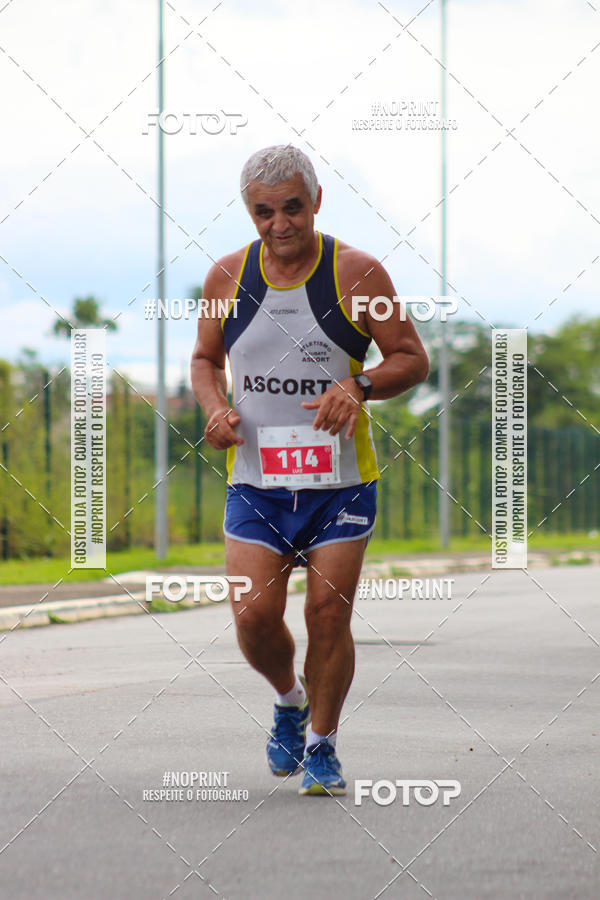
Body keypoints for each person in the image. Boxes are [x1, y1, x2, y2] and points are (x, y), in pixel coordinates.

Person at [191, 145, 428, 796]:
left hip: (340, 484)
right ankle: (290, 701)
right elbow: (205, 361)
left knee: (328, 614)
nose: (279, 224)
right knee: (252, 616)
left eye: (292, 208)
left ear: (316, 201)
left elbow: (411, 357)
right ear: (250, 212)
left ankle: (322, 744)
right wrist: (214, 409)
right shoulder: (225, 278)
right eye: (263, 212)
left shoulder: (357, 274)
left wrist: (359, 384)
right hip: (257, 483)